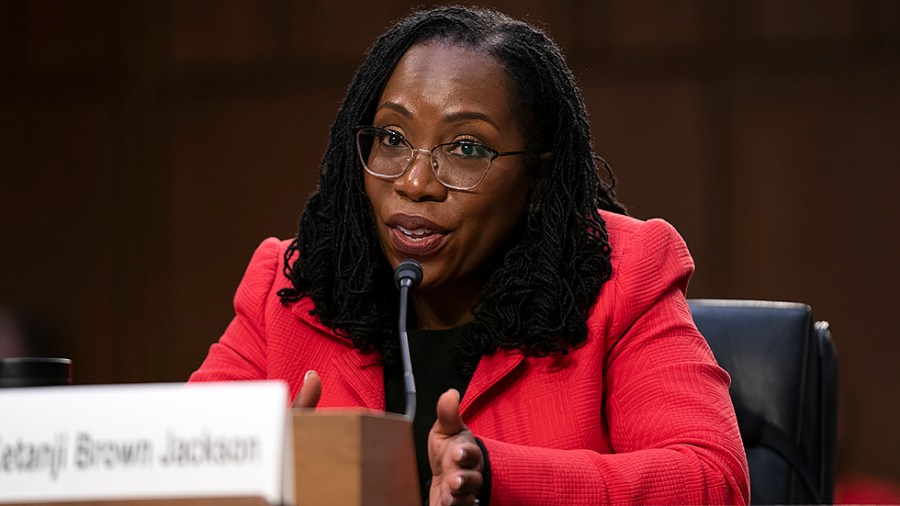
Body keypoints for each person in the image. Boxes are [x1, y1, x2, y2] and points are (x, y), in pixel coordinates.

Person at [190, 6, 750, 505]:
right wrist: (256, 476)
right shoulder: (296, 287)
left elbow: (710, 480)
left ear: (538, 175)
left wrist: (495, 474)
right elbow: (174, 461)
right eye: (392, 138)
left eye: (466, 148)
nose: (414, 182)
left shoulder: (621, 277)